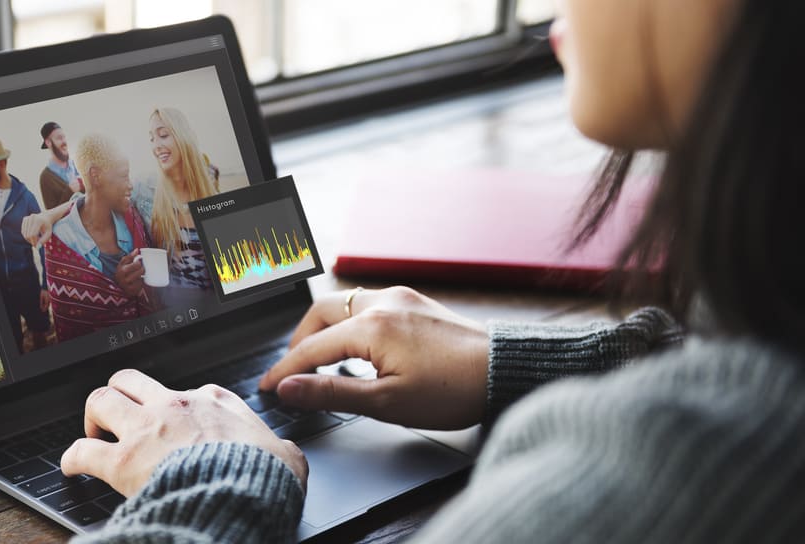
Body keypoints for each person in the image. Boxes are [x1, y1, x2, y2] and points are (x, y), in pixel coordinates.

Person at [59, 1, 805, 542]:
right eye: (141, 139)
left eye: (163, 132)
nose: (152, 146)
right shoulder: (147, 208)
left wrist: (214, 486)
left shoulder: (627, 499)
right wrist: (526, 360)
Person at [22, 108, 226, 307]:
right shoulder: (146, 189)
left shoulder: (211, 189)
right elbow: (92, 197)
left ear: (184, 137)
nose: (156, 145)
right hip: (173, 309)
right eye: (152, 139)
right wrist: (48, 215)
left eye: (163, 135)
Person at [43, 134, 160, 343]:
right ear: (95, 175)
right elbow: (72, 326)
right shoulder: (61, 240)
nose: (130, 184)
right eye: (124, 176)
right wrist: (117, 289)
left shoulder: (133, 218)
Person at [0, 137, 50, 352]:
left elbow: (43, 244)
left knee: (40, 333)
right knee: (12, 341)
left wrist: (45, 286)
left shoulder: (26, 198)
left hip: (27, 282)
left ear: (1, 164)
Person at [38, 121, 85, 209]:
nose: (64, 142)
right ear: (48, 142)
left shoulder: (78, 164)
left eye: (64, 137)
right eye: (59, 138)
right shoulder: (45, 178)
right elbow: (52, 215)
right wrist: (70, 191)